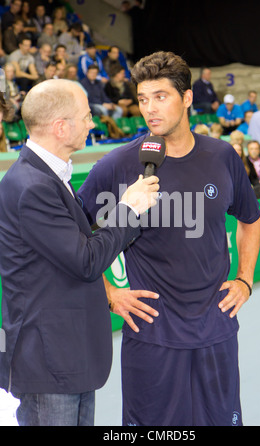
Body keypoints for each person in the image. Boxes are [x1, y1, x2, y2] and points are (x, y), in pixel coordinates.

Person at [78, 51, 260, 426]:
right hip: (152, 335)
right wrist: (109, 294)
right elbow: (75, 231)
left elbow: (251, 219)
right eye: (143, 99)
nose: (149, 109)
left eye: (160, 96)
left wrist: (245, 279)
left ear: (188, 97)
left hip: (216, 329)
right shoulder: (116, 165)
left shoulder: (223, 156)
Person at [0, 78, 160, 426]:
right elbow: (86, 261)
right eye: (87, 116)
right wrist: (129, 210)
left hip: (68, 356)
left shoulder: (49, 177)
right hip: (49, 362)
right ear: (61, 127)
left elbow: (70, 258)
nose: (93, 123)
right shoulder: (32, 187)